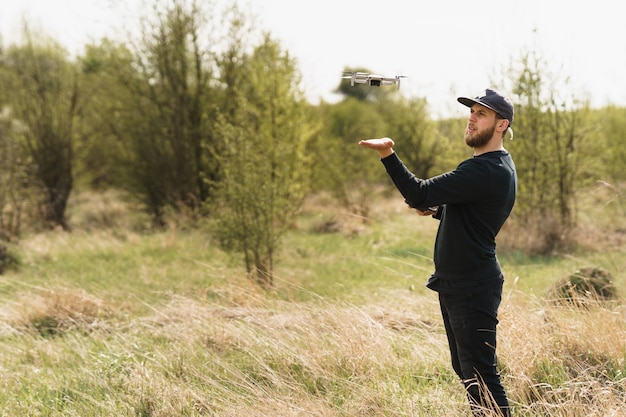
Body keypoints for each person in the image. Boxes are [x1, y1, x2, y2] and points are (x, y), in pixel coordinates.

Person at [359, 88, 517, 417]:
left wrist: (388, 154)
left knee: (482, 376)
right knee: (467, 371)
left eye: (481, 114)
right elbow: (477, 211)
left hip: (472, 285)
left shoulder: (484, 169)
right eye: (471, 112)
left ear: (501, 125)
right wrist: (439, 210)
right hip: (461, 283)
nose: (472, 118)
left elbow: (418, 193)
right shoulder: (498, 166)